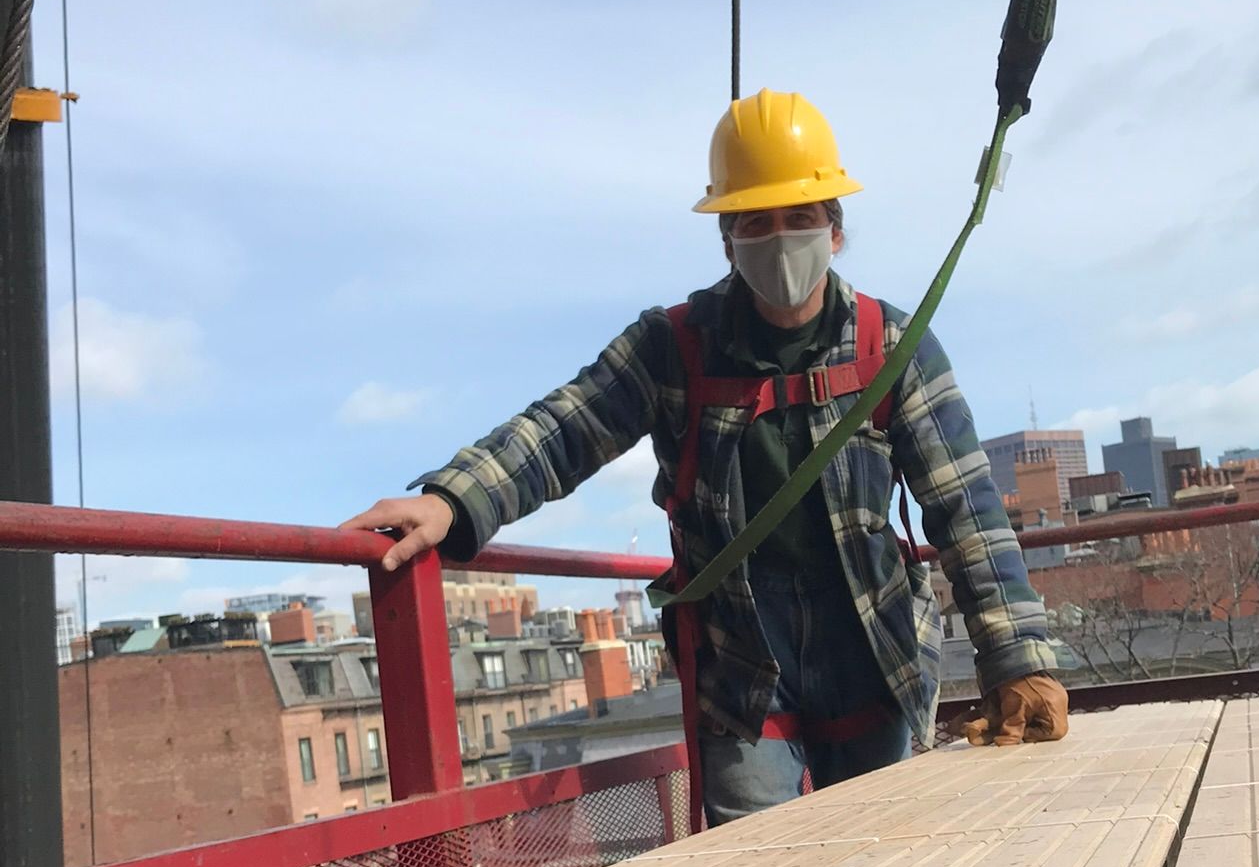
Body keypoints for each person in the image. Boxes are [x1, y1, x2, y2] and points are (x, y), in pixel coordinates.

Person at [343, 89, 1068, 827]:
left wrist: (1019, 660)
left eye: (800, 218)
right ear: (726, 239)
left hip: (871, 650)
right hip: (745, 666)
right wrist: (453, 500)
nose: (780, 238)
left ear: (835, 231)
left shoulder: (895, 347)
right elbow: (565, 427)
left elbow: (966, 508)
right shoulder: (674, 349)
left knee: (889, 852)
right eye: (755, 222)